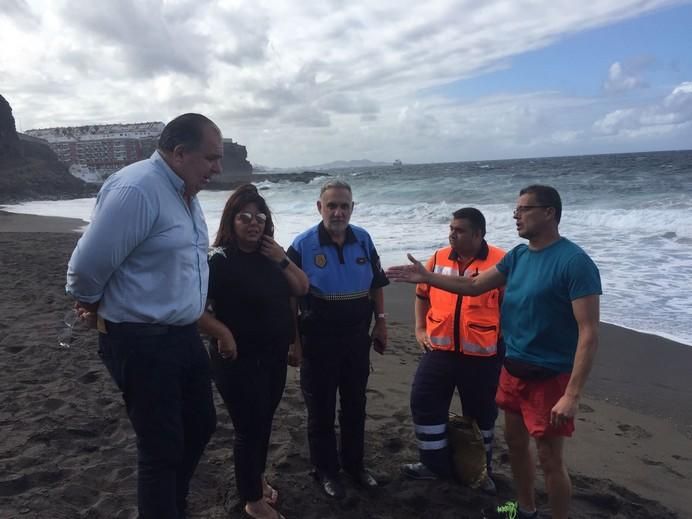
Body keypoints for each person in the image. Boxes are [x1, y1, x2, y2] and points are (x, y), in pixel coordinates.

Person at [387, 185, 601, 519]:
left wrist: (572, 394)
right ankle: (523, 509)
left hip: (550, 377)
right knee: (515, 446)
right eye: (516, 209)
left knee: (549, 458)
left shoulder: (574, 263)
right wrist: (427, 277)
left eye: (524, 209)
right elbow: (473, 285)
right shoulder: (518, 256)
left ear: (549, 213)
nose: (516, 215)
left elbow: (589, 331)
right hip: (512, 369)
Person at [66, 113, 222, 519]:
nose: (217, 168)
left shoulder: (186, 194)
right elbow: (86, 266)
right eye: (211, 158)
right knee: (160, 447)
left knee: (201, 425)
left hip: (182, 334)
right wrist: (92, 303)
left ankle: (172, 504)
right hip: (140, 339)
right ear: (180, 153)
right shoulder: (138, 188)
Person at [198, 184, 308, 519]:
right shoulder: (217, 260)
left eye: (260, 217)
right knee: (249, 426)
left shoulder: (271, 256)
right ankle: (253, 501)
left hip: (273, 355)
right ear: (231, 221)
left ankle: (255, 480)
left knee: (264, 421)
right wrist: (222, 332)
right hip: (236, 360)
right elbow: (192, 309)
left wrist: (282, 258)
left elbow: (302, 288)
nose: (253, 223)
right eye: (244, 217)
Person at [286, 178, 389, 499]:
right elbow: (290, 299)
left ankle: (355, 467)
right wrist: (294, 342)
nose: (338, 212)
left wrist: (381, 323)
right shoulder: (302, 246)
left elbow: (377, 284)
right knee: (321, 411)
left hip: (357, 339)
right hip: (318, 341)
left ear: (352, 208)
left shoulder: (364, 239)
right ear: (320, 207)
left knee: (356, 406)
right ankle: (326, 471)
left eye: (344, 206)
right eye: (332, 205)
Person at [401, 208, 505, 494]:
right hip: (440, 349)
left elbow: (511, 307)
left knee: (482, 416)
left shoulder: (501, 262)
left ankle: (481, 473)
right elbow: (422, 295)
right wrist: (420, 329)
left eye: (459, 230)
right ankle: (433, 466)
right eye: (451, 228)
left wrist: (504, 344)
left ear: (478, 234)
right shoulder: (437, 258)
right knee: (424, 402)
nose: (452, 234)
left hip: (482, 356)